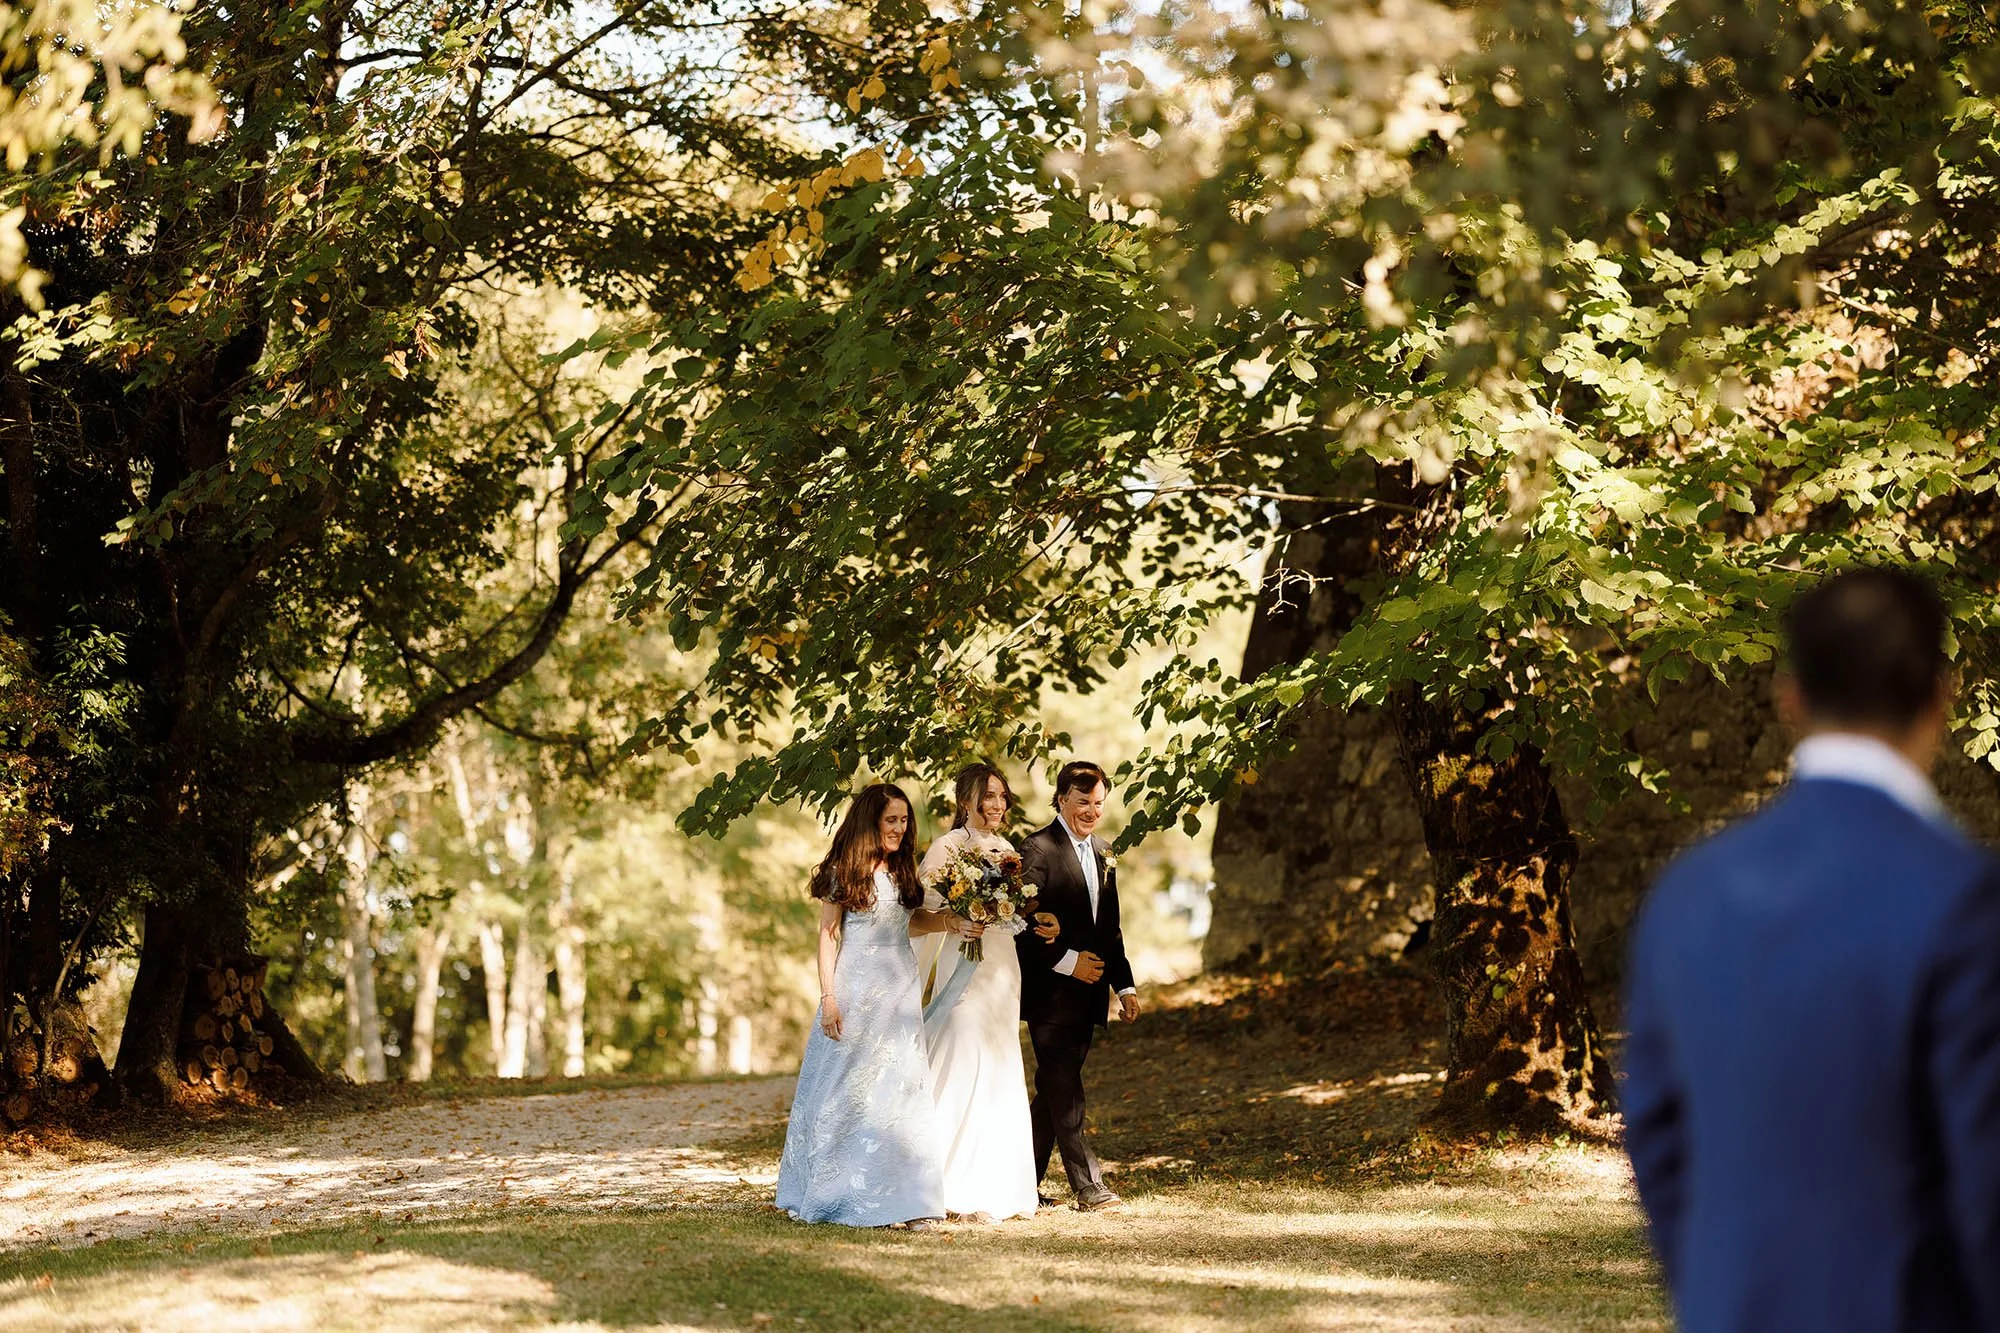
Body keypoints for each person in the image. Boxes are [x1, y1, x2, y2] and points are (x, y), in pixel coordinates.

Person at [1624, 568, 2000, 1332]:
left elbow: (1659, 1143)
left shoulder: (1688, 892)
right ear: (1941, 693)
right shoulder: (1966, 901)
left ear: (1789, 698)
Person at [774, 782, 981, 1228]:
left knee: (900, 1095)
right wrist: (828, 998)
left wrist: (951, 921)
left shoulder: (904, 869)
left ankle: (906, 1200)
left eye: (905, 821)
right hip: (853, 992)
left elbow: (910, 921)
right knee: (846, 1092)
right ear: (871, 821)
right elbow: (828, 936)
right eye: (892, 820)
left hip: (899, 992)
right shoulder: (841, 871)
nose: (900, 829)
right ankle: (836, 1191)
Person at [916, 763, 1059, 1222]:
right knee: (960, 1052)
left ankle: (992, 1184)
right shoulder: (947, 847)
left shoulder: (1005, 848)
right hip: (964, 964)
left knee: (999, 1063)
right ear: (966, 802)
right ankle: (938, 1181)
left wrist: (1035, 920)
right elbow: (920, 912)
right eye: (988, 796)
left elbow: (1013, 916)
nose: (997, 805)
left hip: (1001, 967)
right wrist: (958, 917)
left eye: (1001, 796)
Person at [1016, 760, 1139, 1211]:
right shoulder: (1038, 848)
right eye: (1083, 801)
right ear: (1063, 797)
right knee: (1065, 1088)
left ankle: (1020, 1182)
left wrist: (1123, 987)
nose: (1091, 810)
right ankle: (1088, 1186)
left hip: (1089, 997)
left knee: (1053, 1090)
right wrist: (1069, 963)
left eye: (1099, 803)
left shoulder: (1106, 852)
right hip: (1050, 994)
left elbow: (1111, 930)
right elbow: (1018, 921)